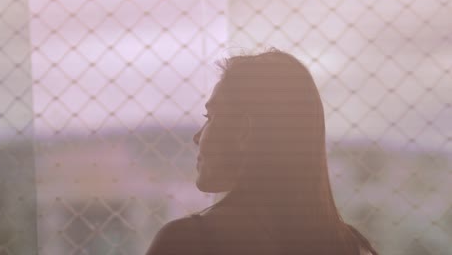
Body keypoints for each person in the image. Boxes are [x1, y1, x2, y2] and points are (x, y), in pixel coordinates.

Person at [145, 48, 378, 255]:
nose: (197, 138)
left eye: (211, 117)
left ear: (244, 131)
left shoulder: (185, 243)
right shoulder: (346, 246)